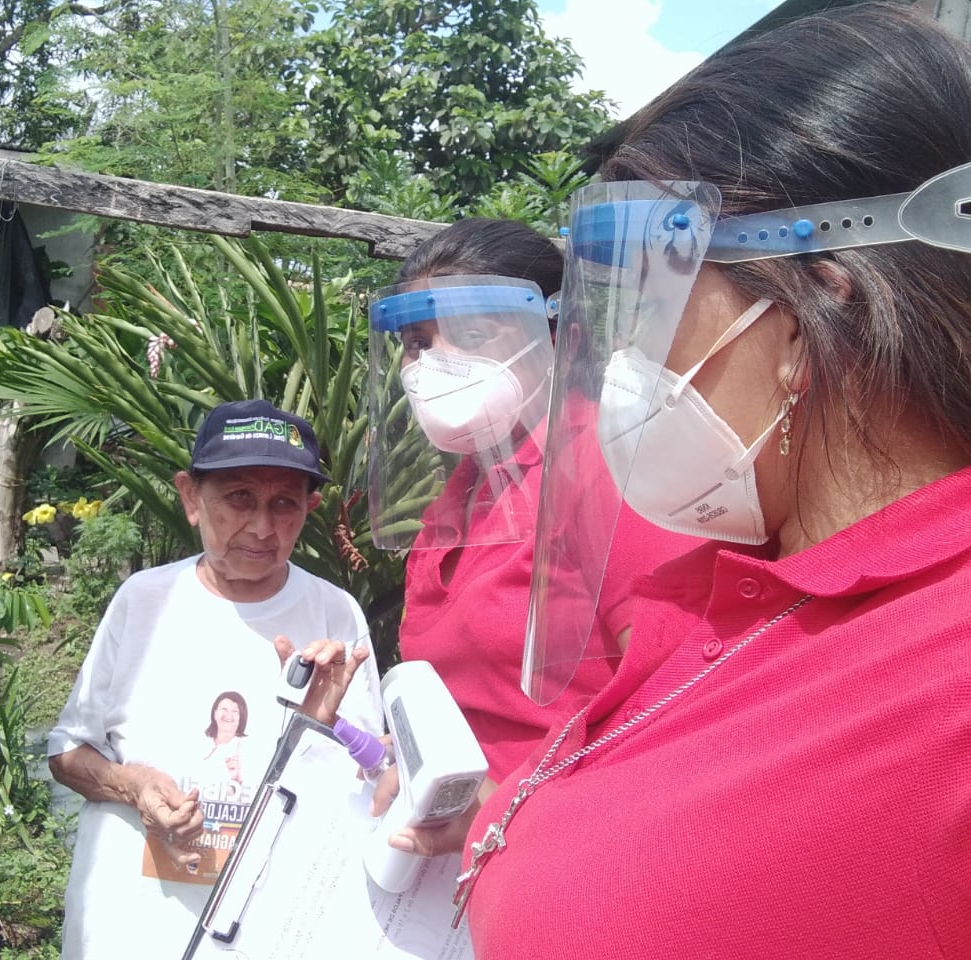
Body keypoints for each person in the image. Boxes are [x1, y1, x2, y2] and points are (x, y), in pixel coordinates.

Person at [402, 6, 971, 958]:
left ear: (814, 299)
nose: (628, 355)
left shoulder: (944, 689)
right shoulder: (739, 583)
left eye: (656, 295)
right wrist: (502, 812)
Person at [47, 398, 385, 959]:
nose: (262, 527)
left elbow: (373, 779)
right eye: (239, 498)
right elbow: (66, 753)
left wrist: (322, 732)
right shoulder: (145, 601)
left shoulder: (334, 615)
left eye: (284, 503)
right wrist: (135, 786)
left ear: (309, 508)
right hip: (132, 927)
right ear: (191, 498)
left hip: (271, 931)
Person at [366, 218, 698, 782]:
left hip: (571, 821)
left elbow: (685, 700)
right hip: (463, 826)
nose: (434, 364)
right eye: (418, 343)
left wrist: (504, 801)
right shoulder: (467, 489)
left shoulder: (604, 467)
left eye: (472, 334)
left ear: (563, 339)